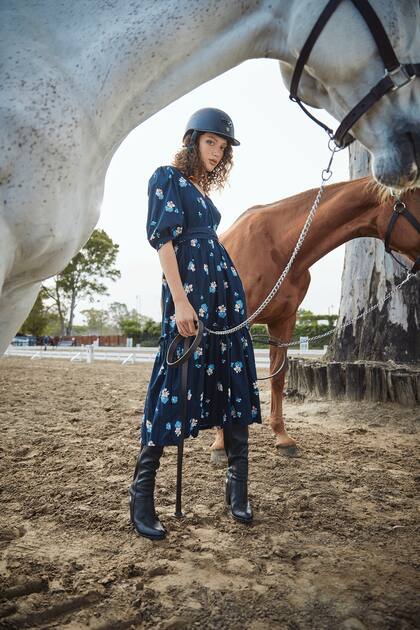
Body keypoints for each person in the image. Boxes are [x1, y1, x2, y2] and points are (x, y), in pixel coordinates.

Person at [129, 108, 262, 540]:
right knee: (172, 385)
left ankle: (237, 488)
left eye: (222, 147)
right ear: (192, 141)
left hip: (224, 299)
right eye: (211, 143)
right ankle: (142, 494)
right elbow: (163, 241)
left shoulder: (203, 193)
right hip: (192, 299)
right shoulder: (166, 178)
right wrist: (181, 302)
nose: (217, 152)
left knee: (233, 378)